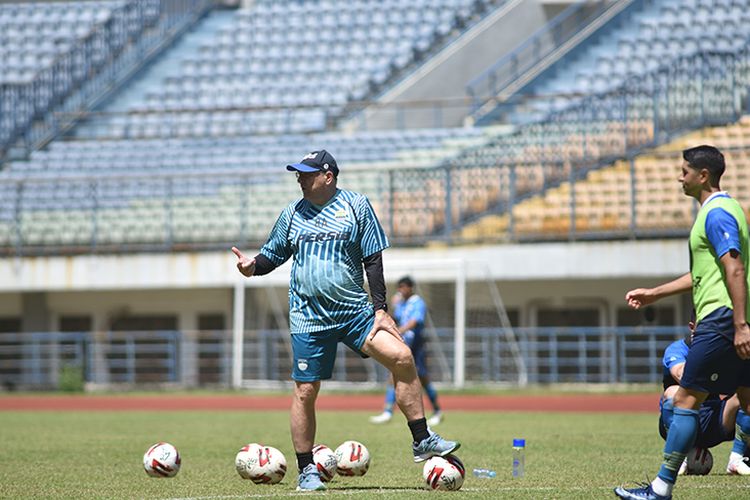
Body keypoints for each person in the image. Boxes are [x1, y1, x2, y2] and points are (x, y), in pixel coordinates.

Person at [231, 150, 460, 492]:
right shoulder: (291, 214)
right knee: (306, 391)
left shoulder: (356, 205)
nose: (300, 178)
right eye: (298, 174)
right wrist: (253, 266)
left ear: (328, 175)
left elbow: (373, 257)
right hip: (309, 317)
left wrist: (380, 309)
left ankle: (421, 439)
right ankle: (307, 470)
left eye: (307, 173)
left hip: (355, 313)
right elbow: (273, 255)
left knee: (402, 357)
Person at [615, 145, 750, 500]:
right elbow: (706, 273)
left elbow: (734, 268)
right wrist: (655, 293)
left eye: (684, 171)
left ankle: (660, 487)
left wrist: (738, 325)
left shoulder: (717, 214)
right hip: (733, 317)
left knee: (685, 401)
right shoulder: (728, 209)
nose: (680, 177)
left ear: (702, 175)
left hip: (720, 320)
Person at [658, 315, 750, 476]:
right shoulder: (677, 349)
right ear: (692, 326)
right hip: (679, 419)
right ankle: (680, 456)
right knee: (672, 392)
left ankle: (737, 459)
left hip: (713, 420)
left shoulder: (723, 349)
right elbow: (681, 374)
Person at [370, 276, 443, 426]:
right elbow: (395, 319)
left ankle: (437, 411)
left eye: (403, 287)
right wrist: (393, 306)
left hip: (416, 345)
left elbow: (415, 321)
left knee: (423, 378)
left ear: (410, 288)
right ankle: (388, 411)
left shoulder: (418, 303)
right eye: (399, 287)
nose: (400, 290)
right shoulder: (401, 303)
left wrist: (401, 330)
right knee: (393, 374)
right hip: (404, 344)